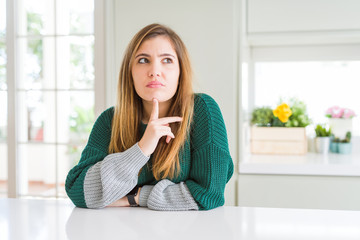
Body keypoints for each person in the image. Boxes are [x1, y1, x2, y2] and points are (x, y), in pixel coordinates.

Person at [65, 23, 234, 211]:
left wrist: (136, 197)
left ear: (180, 71)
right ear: (130, 72)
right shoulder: (110, 121)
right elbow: (78, 190)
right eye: (143, 60)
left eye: (167, 60)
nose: (155, 71)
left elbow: (209, 194)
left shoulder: (202, 110)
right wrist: (142, 148)